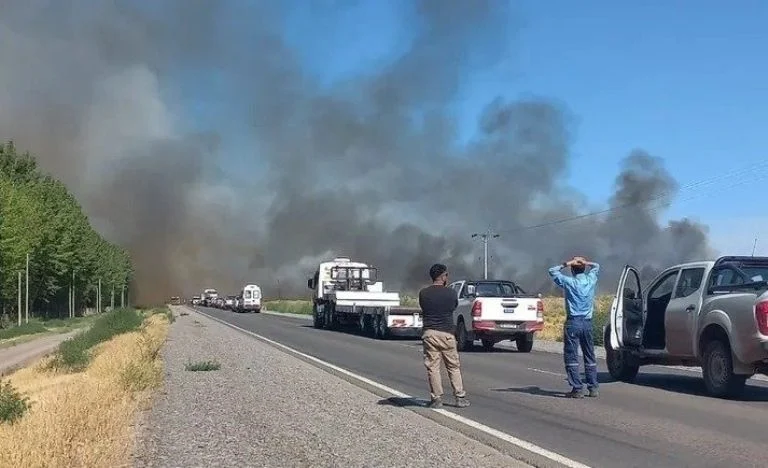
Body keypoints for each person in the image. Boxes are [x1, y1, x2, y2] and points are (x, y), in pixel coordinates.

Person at [548, 256, 600, 398]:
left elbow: (552, 271)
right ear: (583, 268)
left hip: (573, 322)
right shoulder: (590, 280)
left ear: (572, 270)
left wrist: (567, 263)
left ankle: (577, 388)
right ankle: (593, 387)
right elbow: (596, 266)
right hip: (587, 322)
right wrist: (585, 262)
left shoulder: (569, 282)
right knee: (590, 356)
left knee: (572, 357)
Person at [418, 263, 470, 409]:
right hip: (447, 333)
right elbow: (453, 307)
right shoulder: (451, 293)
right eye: (447, 275)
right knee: (453, 366)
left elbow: (424, 307)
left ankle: (436, 399)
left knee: (433, 367)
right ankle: (459, 397)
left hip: (430, 333)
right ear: (443, 276)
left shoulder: (424, 293)